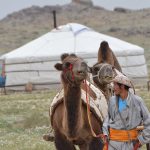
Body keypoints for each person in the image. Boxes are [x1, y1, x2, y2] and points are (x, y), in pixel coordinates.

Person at [102, 73, 150, 150]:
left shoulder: (137, 101)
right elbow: (108, 118)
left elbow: (148, 122)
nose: (113, 88)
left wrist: (141, 140)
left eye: (115, 85)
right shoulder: (112, 100)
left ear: (122, 86)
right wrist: (105, 133)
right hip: (113, 143)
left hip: (131, 144)